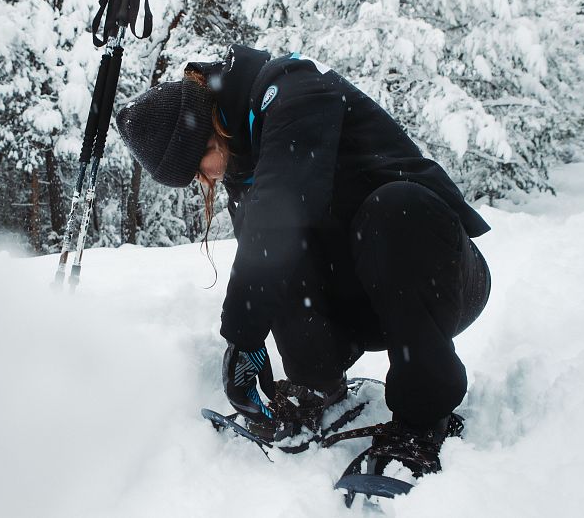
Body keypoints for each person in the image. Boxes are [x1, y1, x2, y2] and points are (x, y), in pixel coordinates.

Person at [116, 44, 491, 474]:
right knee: (278, 258)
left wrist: (244, 333)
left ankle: (422, 421)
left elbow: (284, 207)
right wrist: (254, 342)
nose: (205, 179)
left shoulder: (296, 90)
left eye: (198, 166)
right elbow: (271, 262)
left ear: (209, 131)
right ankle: (316, 389)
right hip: (370, 298)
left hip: (445, 278)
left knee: (389, 209)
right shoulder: (245, 164)